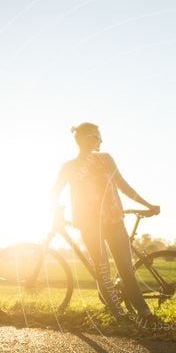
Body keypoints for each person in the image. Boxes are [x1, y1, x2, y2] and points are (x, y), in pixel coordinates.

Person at [50, 122, 160, 326]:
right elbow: (54, 193)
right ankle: (121, 317)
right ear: (85, 139)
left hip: (114, 221)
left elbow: (123, 185)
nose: (101, 140)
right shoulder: (69, 167)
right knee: (103, 272)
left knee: (126, 269)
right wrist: (57, 210)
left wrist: (147, 204)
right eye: (97, 136)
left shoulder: (106, 159)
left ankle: (145, 314)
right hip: (88, 225)